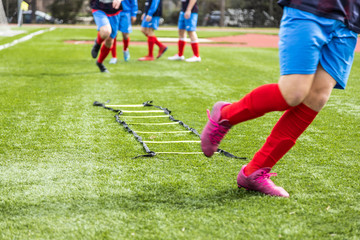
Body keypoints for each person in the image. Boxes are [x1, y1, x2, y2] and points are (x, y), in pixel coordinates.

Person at [200, 0, 359, 198]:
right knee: (293, 93)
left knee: (317, 97)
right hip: (311, 9)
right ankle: (225, 115)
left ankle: (254, 171)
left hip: (349, 21)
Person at [90, 0, 122, 72]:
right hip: (99, 8)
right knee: (106, 31)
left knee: (110, 41)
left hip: (114, 11)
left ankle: (100, 62)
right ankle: (98, 43)